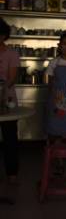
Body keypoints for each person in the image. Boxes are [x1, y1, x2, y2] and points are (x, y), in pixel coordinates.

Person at [45, 32, 66, 142]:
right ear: (60, 45)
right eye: (65, 44)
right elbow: (50, 83)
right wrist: (52, 99)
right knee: (55, 128)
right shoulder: (54, 62)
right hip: (57, 100)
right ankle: (56, 154)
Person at [0, 18, 20, 184]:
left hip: (7, 99)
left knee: (10, 137)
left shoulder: (11, 54)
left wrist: (2, 87)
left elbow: (12, 78)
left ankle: (12, 173)